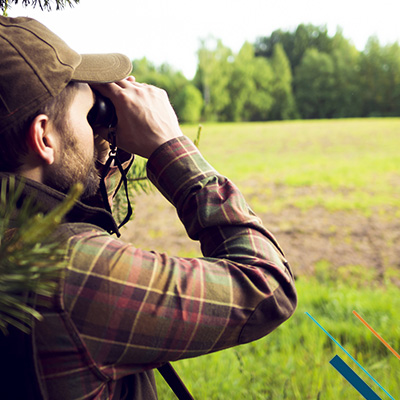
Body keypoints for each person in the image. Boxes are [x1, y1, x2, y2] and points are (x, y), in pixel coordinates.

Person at [0, 16, 297, 400]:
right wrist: (169, 145)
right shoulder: (66, 269)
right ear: (43, 136)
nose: (99, 129)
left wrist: (86, 170)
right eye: (89, 114)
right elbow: (266, 285)